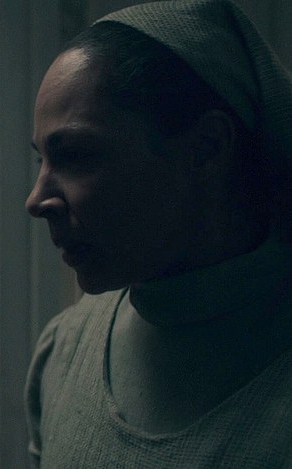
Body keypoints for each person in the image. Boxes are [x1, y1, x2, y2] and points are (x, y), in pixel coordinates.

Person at [24, 0, 292, 467]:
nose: (35, 200)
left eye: (76, 155)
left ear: (207, 147)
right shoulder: (64, 351)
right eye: (41, 160)